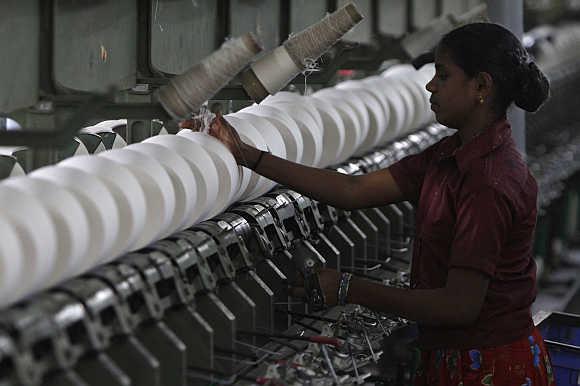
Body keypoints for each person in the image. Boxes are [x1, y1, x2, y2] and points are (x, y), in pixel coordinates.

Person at [197, 22, 554, 385]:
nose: (430, 85)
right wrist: (246, 155)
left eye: (443, 76)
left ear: (481, 86)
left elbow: (458, 306)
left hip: (490, 370)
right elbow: (354, 190)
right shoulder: (449, 156)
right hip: (453, 359)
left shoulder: (487, 182)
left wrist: (350, 289)